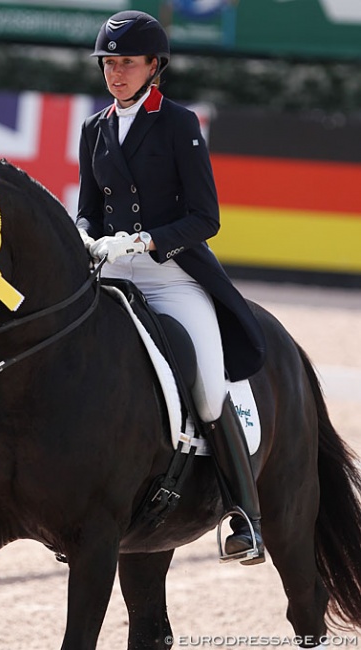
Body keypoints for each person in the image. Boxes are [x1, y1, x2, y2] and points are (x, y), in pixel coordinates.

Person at [76, 10, 267, 565]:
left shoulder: (179, 123)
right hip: (110, 271)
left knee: (208, 387)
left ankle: (243, 514)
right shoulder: (94, 127)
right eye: (109, 64)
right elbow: (89, 210)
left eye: (127, 63)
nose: (116, 74)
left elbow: (206, 219)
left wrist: (141, 242)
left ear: (154, 66)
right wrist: (87, 237)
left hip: (172, 274)